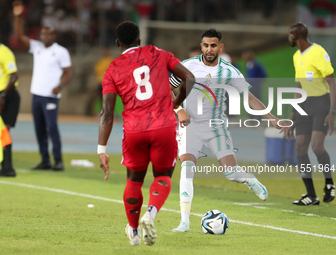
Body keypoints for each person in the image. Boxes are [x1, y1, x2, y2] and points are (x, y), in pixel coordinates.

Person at [170, 28, 286, 232]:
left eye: (213, 45)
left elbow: (249, 98)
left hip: (216, 127)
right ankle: (184, 222)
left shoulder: (230, 71)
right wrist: (178, 109)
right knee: (187, 170)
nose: (209, 49)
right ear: (201, 46)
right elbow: (167, 87)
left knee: (231, 173)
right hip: (190, 127)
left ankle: (249, 179)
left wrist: (272, 118)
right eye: (205, 45)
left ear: (220, 47)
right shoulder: (186, 66)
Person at [98, 21, 194, 246]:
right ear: (139, 41)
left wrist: (101, 149)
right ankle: (149, 214)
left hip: (134, 130)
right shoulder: (158, 53)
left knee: (134, 181)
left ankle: (133, 232)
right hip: (163, 126)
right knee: (163, 176)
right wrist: (177, 102)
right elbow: (189, 77)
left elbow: (106, 113)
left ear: (118, 43)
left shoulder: (112, 69)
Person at [13, 1, 72, 171]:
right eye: (43, 34)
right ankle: (45, 160)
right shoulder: (37, 47)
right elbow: (18, 36)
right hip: (36, 94)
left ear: (54, 36)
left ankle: (58, 160)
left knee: (52, 127)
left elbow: (67, 73)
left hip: (51, 95)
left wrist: (60, 86)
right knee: (39, 129)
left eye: (49, 34)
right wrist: (18, 17)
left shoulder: (61, 51)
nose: (45, 37)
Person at [286, 22, 335, 205]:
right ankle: (311, 195)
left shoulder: (318, 52)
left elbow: (332, 83)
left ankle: (329, 184)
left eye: (290, 34)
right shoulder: (296, 56)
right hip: (304, 105)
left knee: (316, 146)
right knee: (300, 147)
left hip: (321, 103)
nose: (288, 38)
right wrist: (293, 112)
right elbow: (299, 86)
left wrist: (332, 111)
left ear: (296, 35)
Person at [0, 24, 20, 177]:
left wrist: (3, 96)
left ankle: (8, 168)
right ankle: (4, 166)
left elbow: (14, 76)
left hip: (8, 96)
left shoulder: (5, 53)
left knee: (4, 131)